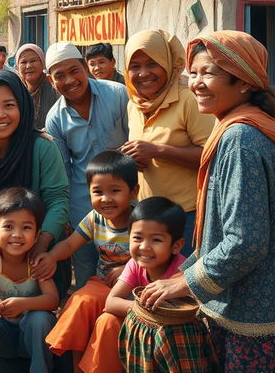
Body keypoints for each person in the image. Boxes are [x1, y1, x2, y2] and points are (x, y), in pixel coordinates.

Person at [140, 30, 275, 372]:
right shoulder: (238, 127)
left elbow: (245, 241)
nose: (196, 83)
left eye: (208, 73)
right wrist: (179, 275)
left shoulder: (240, 138)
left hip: (251, 312)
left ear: (243, 82)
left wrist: (186, 282)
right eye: (193, 73)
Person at [0, 69, 70, 296]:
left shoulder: (42, 148)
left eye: (9, 105)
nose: (0, 114)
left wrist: (39, 246)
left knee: (39, 323)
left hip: (40, 266)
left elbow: (58, 201)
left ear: (22, 106)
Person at [36, 152, 138, 370]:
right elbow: (70, 244)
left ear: (133, 192)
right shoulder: (95, 218)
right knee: (79, 301)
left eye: (115, 191)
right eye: (98, 192)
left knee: (105, 323)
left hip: (134, 287)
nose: (106, 199)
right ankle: (73, 366)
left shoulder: (140, 220)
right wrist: (51, 255)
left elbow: (156, 257)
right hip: (103, 283)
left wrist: (129, 268)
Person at [121, 29, 214, 256]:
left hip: (186, 216)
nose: (143, 74)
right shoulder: (135, 104)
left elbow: (212, 155)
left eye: (152, 64)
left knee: (182, 283)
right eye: (135, 66)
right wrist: (133, 159)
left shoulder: (189, 99)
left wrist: (158, 150)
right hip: (148, 215)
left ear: (168, 62)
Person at [45, 42, 129, 287]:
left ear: (85, 67)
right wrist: (68, 218)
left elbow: (135, 144)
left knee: (126, 276)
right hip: (83, 209)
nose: (69, 80)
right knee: (85, 275)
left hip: (127, 206)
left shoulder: (117, 94)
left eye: (74, 71)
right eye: (60, 76)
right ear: (51, 81)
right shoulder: (55, 118)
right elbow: (63, 172)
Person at [111, 197, 216, 373]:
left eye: (156, 240)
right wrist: (147, 310)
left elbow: (196, 313)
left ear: (176, 246)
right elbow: (111, 301)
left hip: (176, 339)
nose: (144, 247)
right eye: (137, 237)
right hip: (145, 336)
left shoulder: (182, 273)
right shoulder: (134, 264)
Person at [0, 188, 59, 373]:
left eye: (26, 227)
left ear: (37, 235)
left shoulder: (36, 261)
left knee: (41, 319)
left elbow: (52, 299)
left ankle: (40, 369)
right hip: (0, 337)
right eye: (8, 226)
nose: (17, 234)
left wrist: (23, 304)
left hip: (29, 339)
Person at [15, 44, 59, 129]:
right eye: (23, 62)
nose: (28, 66)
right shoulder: (16, 90)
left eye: (33, 61)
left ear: (43, 63)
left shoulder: (55, 87)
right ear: (17, 67)